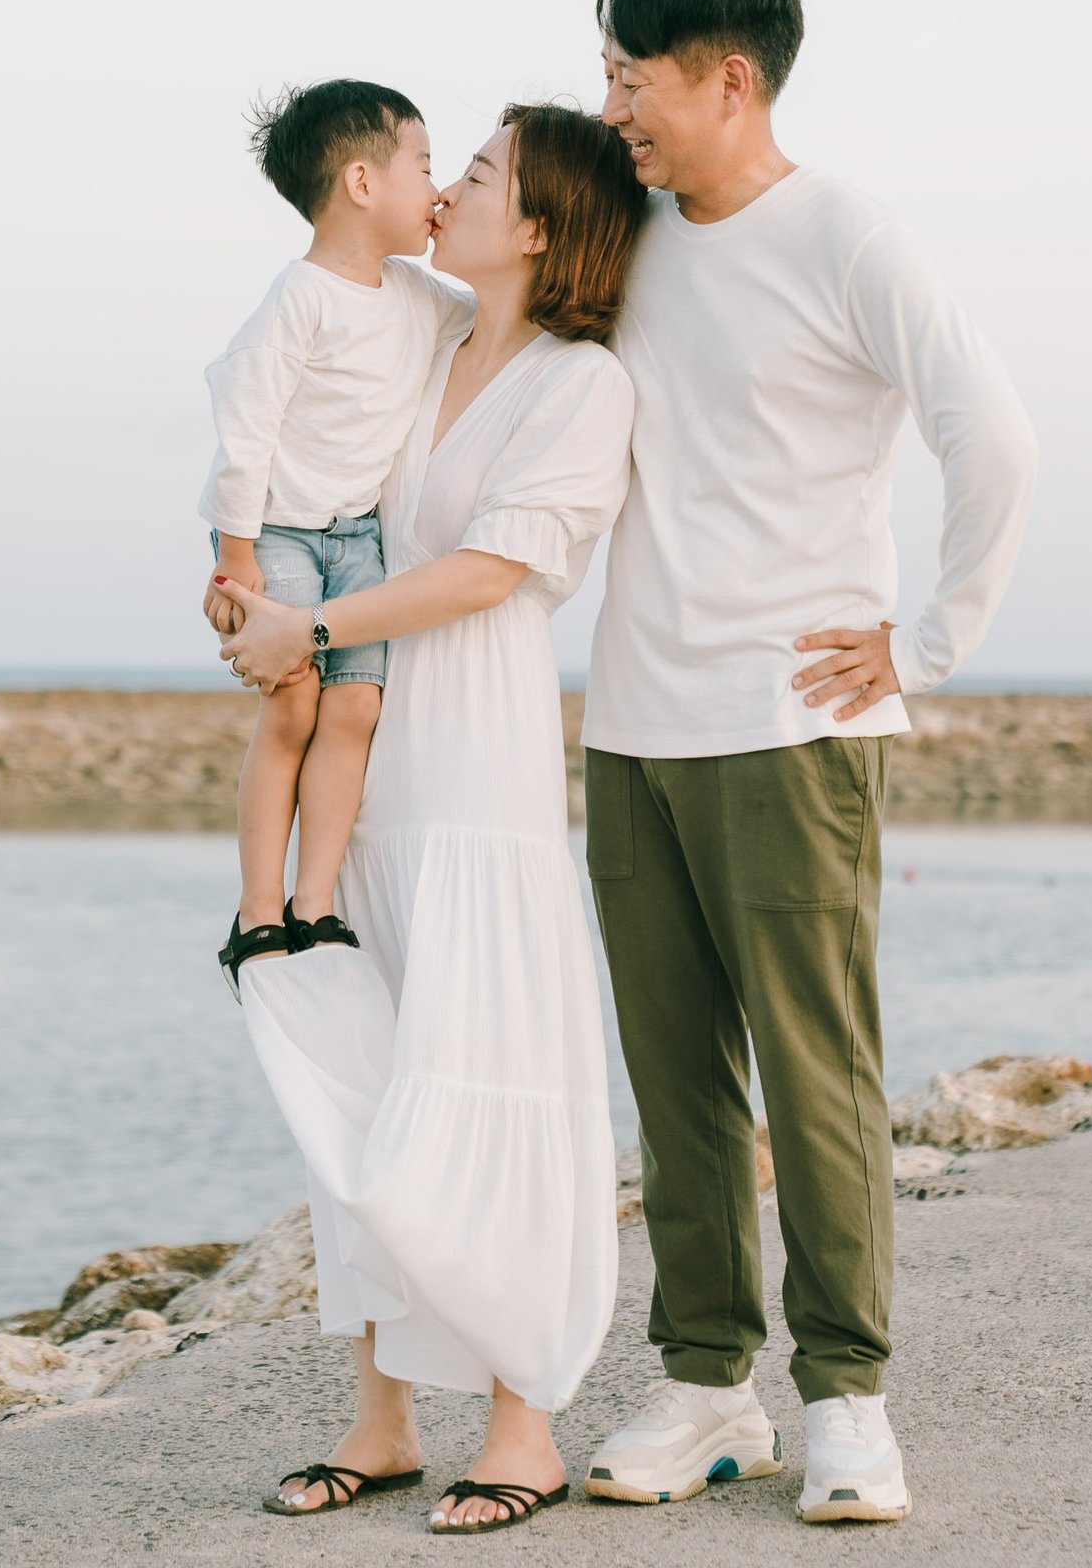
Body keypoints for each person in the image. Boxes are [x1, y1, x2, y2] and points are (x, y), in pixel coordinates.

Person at [580, 0, 1038, 1526]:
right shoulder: (626, 234)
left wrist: (924, 643)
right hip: (632, 722)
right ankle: (710, 1385)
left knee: (814, 1064)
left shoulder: (849, 234)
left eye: (634, 78)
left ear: (730, 76)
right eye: (607, 78)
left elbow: (996, 435)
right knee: (673, 1075)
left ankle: (847, 1399)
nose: (617, 106)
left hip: (790, 722)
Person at [211, 103, 645, 1534]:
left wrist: (310, 623)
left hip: (476, 777)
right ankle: (381, 1418)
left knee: (489, 1071)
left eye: (478, 173)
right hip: (369, 769)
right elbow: (291, 455)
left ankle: (524, 1420)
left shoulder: (580, 383)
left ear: (538, 225)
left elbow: (491, 567)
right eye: (440, 165)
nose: (445, 185)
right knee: (359, 1078)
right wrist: (247, 592)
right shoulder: (409, 331)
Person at [198, 80, 470, 996]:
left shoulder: (418, 295)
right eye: (425, 166)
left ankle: (318, 899)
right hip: (273, 531)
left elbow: (492, 321)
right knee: (292, 708)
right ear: (361, 180)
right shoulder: (300, 300)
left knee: (354, 710)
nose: (437, 188)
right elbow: (246, 430)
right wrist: (235, 560)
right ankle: (257, 903)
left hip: (358, 537)